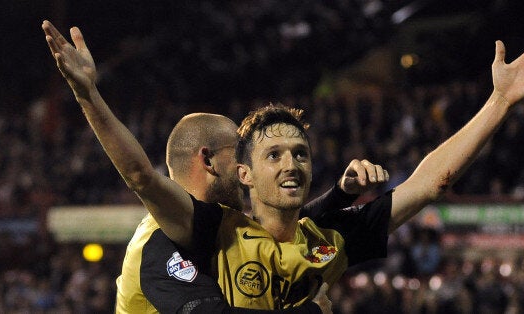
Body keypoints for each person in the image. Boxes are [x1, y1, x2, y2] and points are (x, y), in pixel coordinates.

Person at [44, 18, 524, 310]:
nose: (291, 164)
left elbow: (429, 182)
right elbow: (140, 176)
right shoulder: (205, 232)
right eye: (274, 155)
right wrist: (88, 93)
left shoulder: (325, 238)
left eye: (300, 154)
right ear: (243, 174)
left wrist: (498, 104)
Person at [42, 20, 386, 313]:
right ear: (207, 160)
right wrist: (88, 94)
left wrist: (339, 194)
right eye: (239, 153)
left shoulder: (216, 227)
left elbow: (283, 222)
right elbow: (140, 176)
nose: (247, 167)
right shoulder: (162, 240)